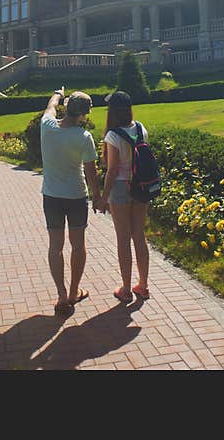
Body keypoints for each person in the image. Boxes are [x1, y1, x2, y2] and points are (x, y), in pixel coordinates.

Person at [40, 88, 103, 314]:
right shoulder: (83, 137)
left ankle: (61, 294)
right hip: (76, 197)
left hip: (52, 197)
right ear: (84, 114)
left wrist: (57, 94)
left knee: (55, 247)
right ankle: (74, 290)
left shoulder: (46, 126)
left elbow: (50, 106)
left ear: (66, 108)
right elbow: (91, 172)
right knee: (78, 246)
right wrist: (97, 197)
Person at [99, 90, 151, 304]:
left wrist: (103, 196)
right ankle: (144, 285)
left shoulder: (112, 136)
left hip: (120, 188)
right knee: (139, 235)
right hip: (140, 186)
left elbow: (111, 170)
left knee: (123, 238)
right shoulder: (141, 128)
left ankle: (127, 288)